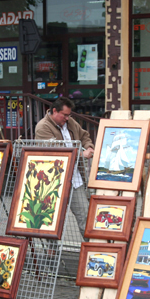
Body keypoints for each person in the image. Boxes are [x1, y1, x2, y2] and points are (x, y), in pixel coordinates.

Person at [35, 97, 95, 240]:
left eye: (69, 115)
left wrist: (89, 147)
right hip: (54, 182)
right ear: (54, 111)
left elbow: (84, 135)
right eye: (65, 115)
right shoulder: (43, 127)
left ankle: (91, 247)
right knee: (50, 219)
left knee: (85, 216)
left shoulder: (70, 122)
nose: (67, 118)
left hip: (74, 179)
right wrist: (81, 154)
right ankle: (52, 250)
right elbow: (56, 152)